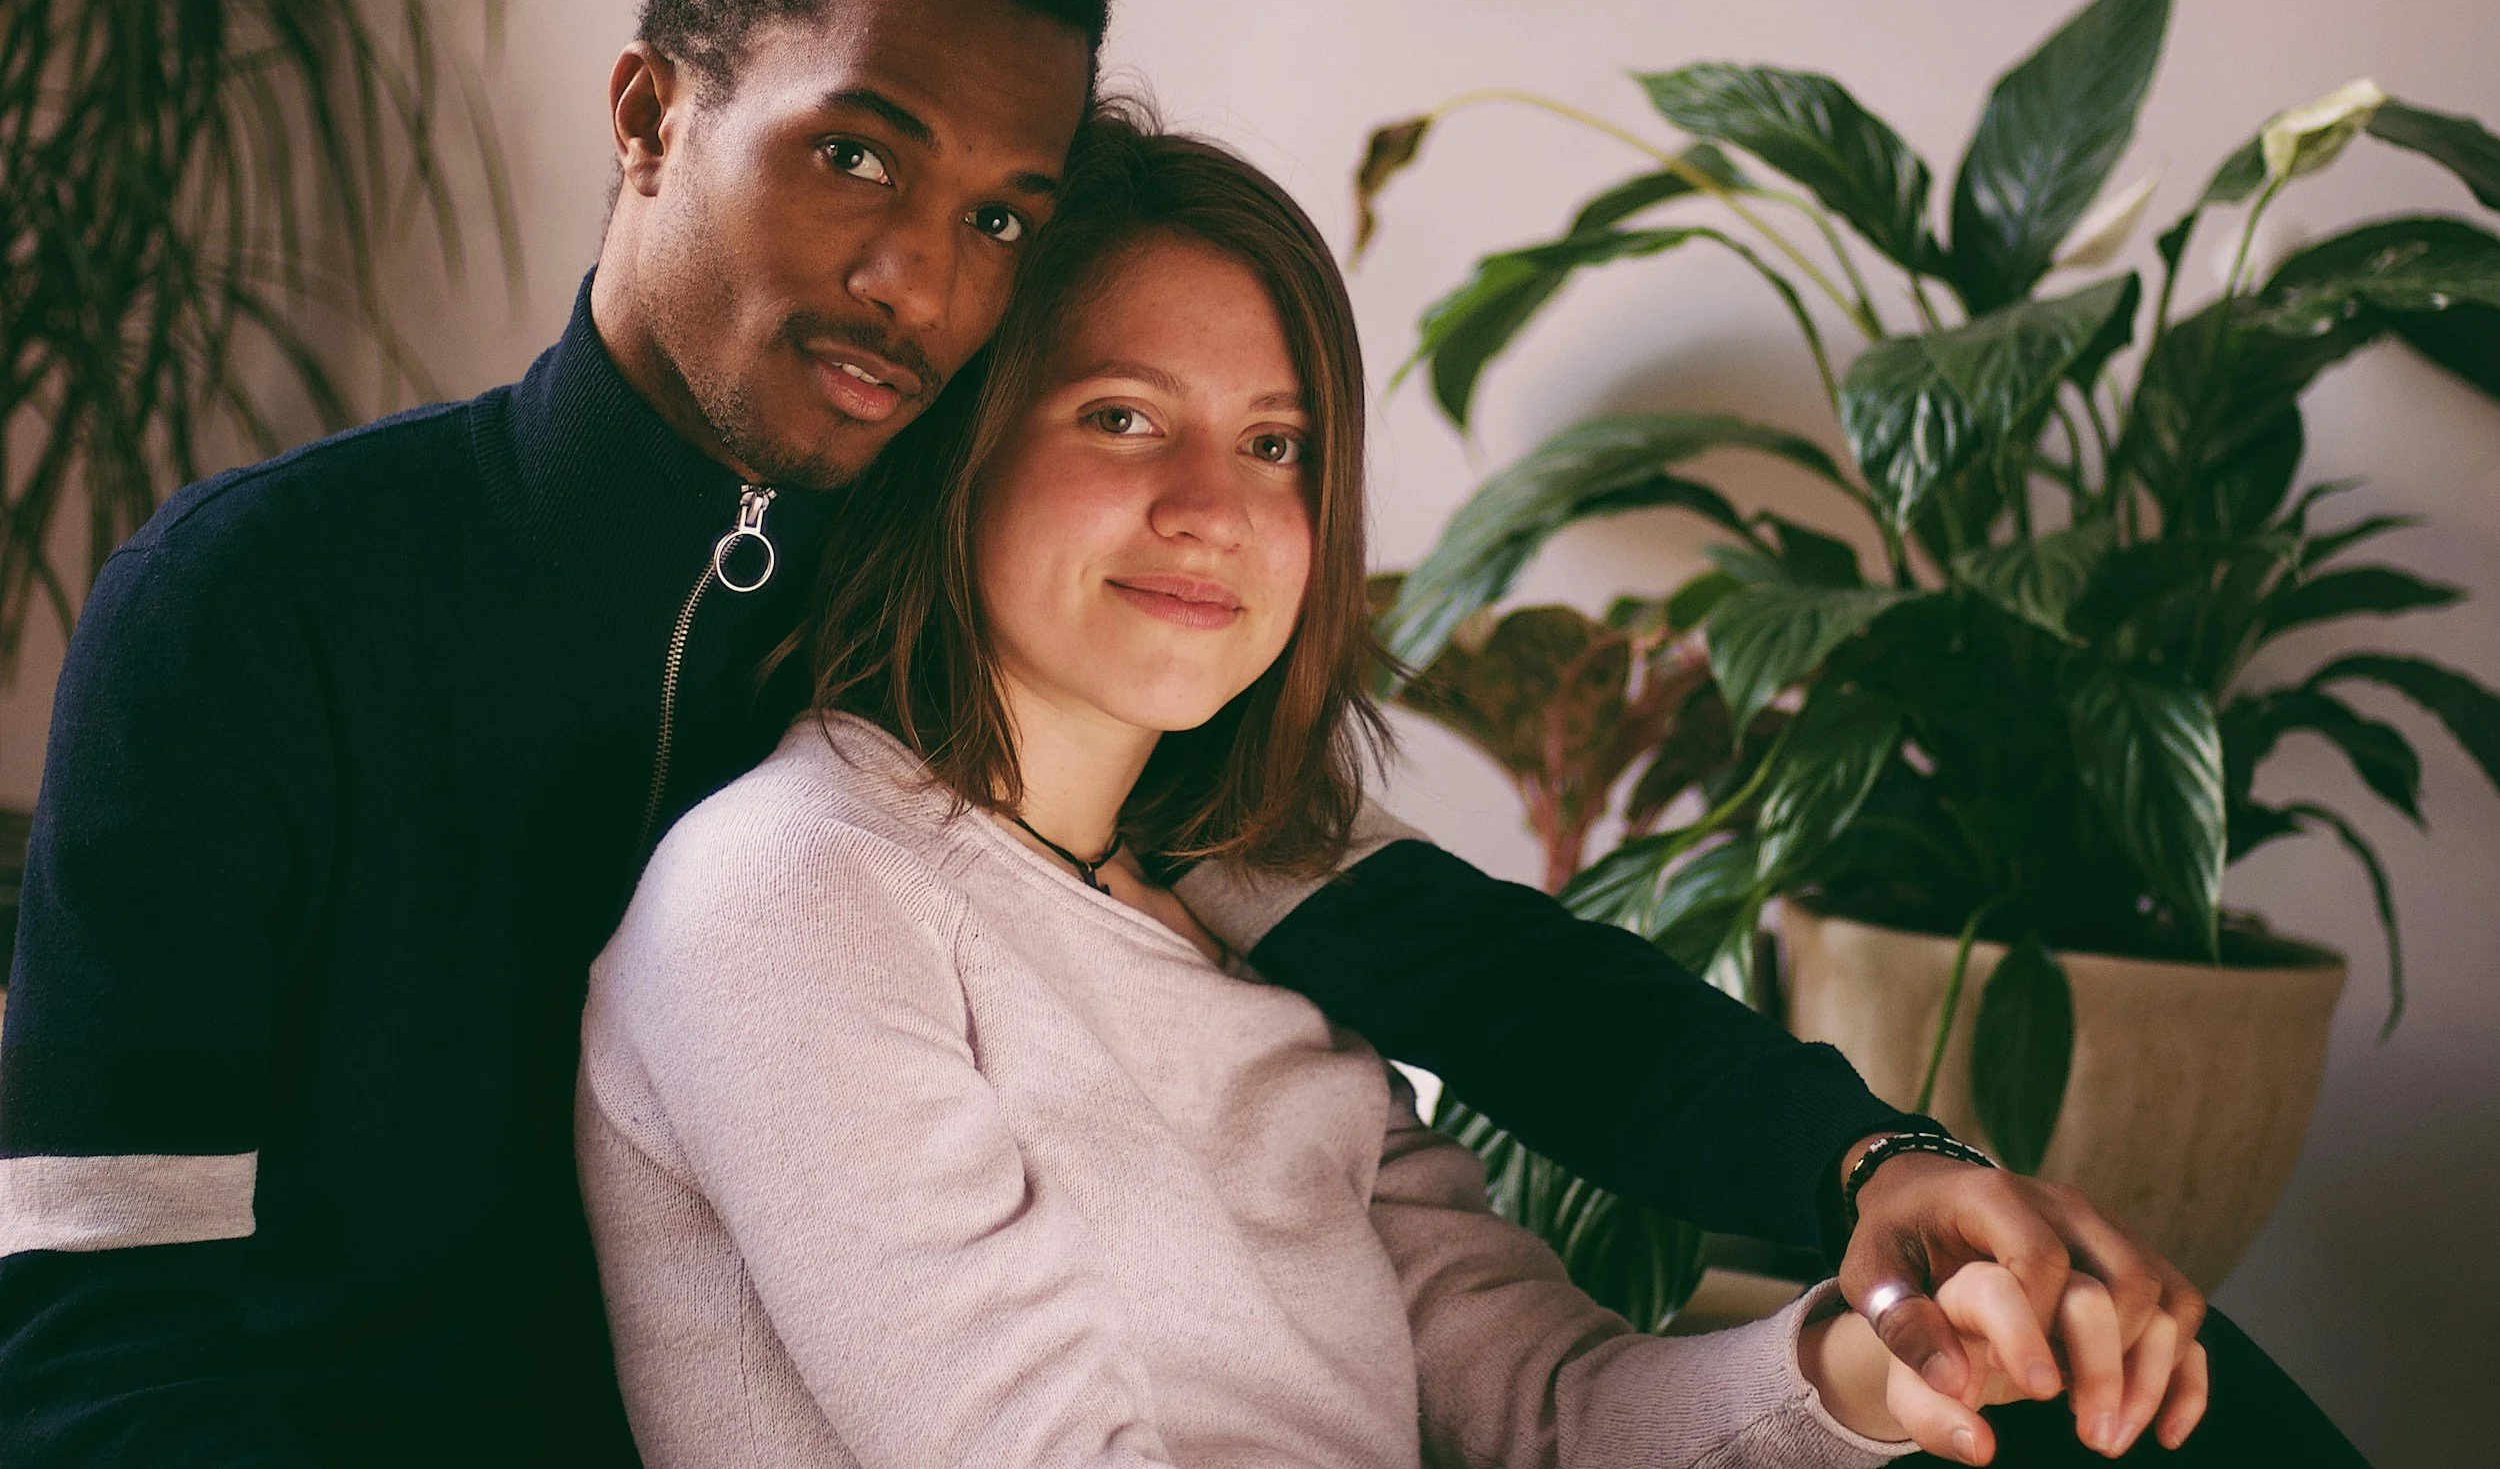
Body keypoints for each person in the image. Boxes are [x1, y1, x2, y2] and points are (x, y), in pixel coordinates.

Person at [0, 0, 2215, 1464]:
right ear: (650, 110)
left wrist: (1872, 1168)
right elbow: (99, 1318)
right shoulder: (260, 606)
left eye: (997, 216)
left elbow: (1470, 969)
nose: (916, 276)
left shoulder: (958, 654)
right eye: (856, 156)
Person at [578, 112, 2207, 1468]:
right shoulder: (795, 892)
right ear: (964, 446)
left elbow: (1552, 1413)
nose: (1211, 504)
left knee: (2148, 1405)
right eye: (1123, 416)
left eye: (1278, 445)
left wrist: (1875, 1371)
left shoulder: (1261, 912)